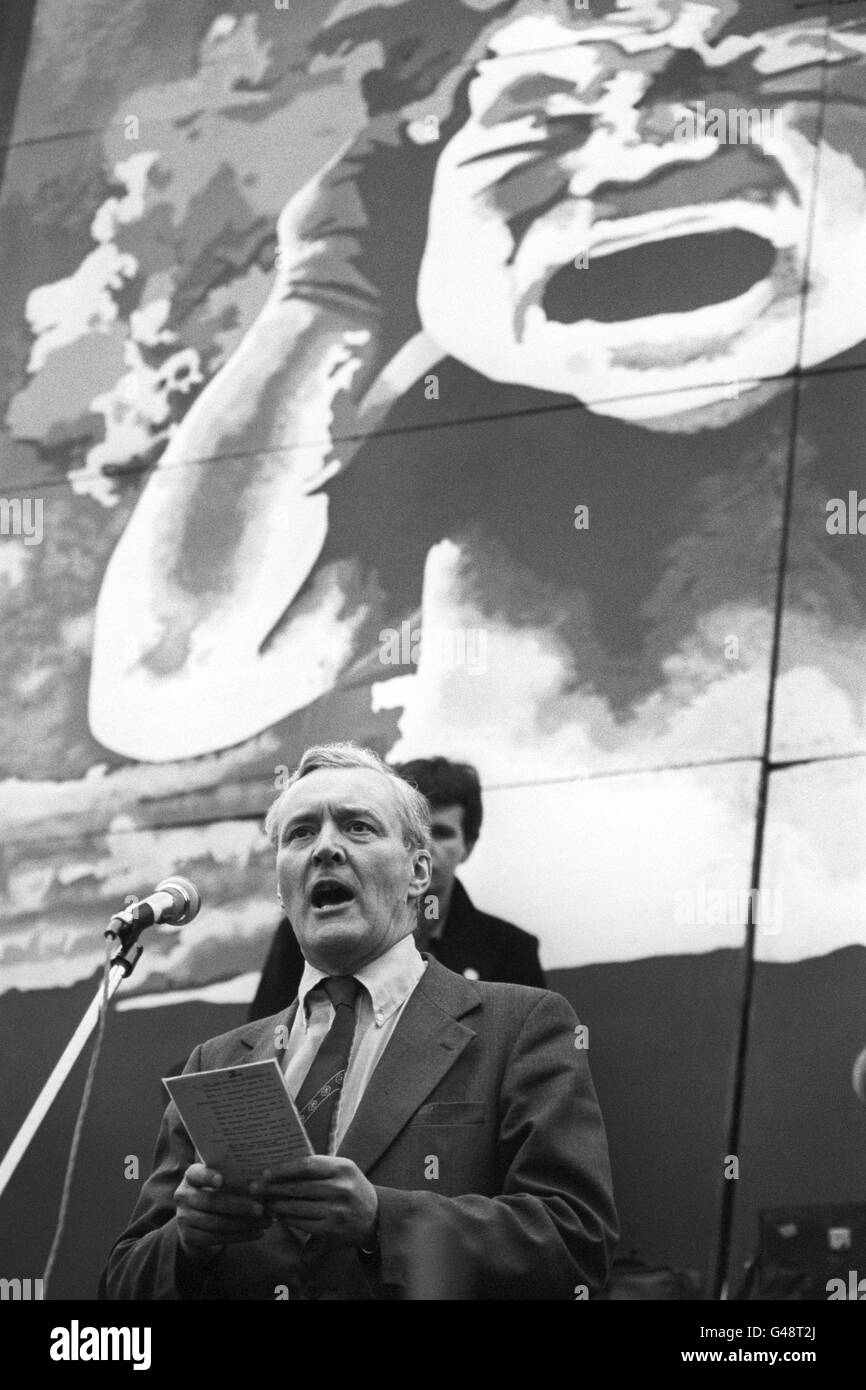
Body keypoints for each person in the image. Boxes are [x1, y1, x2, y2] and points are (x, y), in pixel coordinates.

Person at [100, 743, 617, 1300]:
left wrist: (382, 1221)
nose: (325, 847)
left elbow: (576, 1247)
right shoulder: (217, 1063)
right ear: (281, 887)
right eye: (300, 833)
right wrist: (188, 1243)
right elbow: (122, 1287)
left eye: (358, 827)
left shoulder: (522, 1026)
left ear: (419, 871)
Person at [248, 755, 544, 1020]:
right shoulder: (302, 936)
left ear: (467, 846)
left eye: (440, 833)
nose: (424, 845)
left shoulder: (511, 951)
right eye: (302, 832)